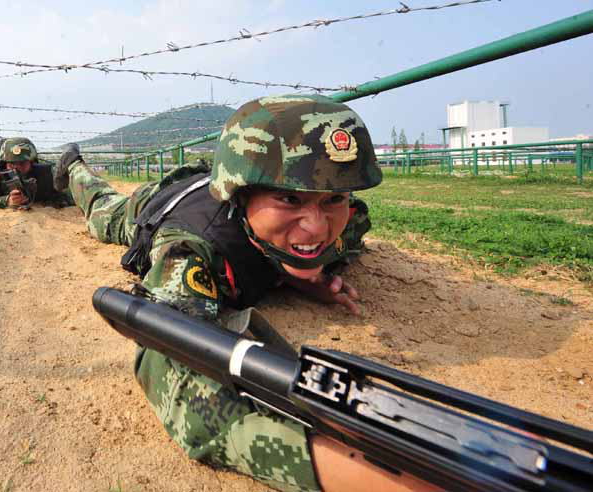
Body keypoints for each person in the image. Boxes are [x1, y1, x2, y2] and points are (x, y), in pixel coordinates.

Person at [54, 95, 437, 492]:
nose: (317, 227)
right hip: (155, 205)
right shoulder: (191, 249)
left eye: (333, 200)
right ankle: (74, 167)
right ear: (241, 196)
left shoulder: (344, 223)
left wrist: (304, 273)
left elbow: (351, 228)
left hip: (213, 181)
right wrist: (361, 475)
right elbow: (180, 384)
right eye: (289, 199)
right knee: (102, 208)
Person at [0, 137, 74, 210]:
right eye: (11, 164)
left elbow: (68, 198)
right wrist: (6, 201)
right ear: (4, 163)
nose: (17, 168)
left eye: (22, 163)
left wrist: (47, 202)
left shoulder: (45, 174)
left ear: (32, 162)